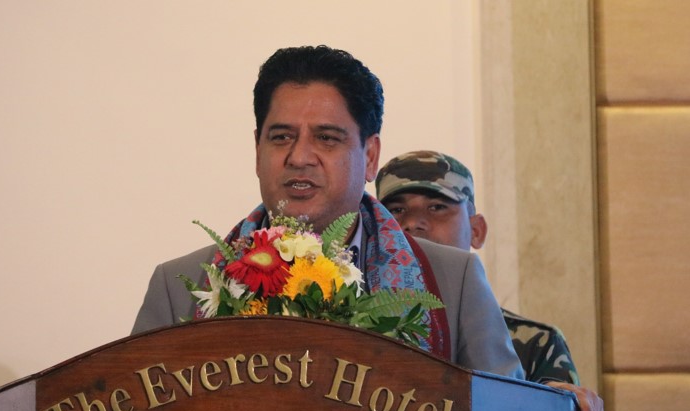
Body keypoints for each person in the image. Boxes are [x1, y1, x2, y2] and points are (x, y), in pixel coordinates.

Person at [131, 45, 523, 379]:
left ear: (370, 157)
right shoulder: (178, 289)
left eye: (326, 138)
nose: (300, 157)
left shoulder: (454, 282)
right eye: (281, 137)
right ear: (257, 150)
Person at [375, 150, 604, 411]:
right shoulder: (365, 324)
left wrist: (551, 403)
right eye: (396, 210)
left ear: (476, 230)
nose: (413, 223)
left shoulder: (534, 343)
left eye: (437, 207)